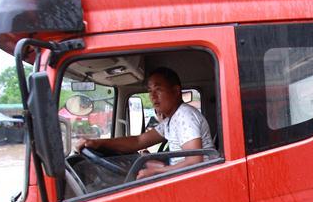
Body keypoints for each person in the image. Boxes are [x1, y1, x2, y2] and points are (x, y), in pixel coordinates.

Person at [77, 67, 218, 179]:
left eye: (158, 90)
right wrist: (98, 143)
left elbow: (195, 162)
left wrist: (157, 172)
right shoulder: (171, 120)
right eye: (150, 91)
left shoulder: (185, 116)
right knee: (143, 161)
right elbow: (138, 141)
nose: (152, 96)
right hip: (183, 177)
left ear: (175, 91)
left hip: (196, 181)